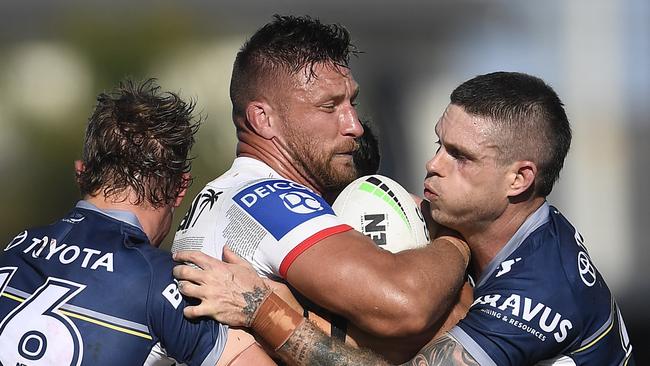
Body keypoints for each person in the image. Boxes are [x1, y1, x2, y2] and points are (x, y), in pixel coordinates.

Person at [173, 71, 635, 365]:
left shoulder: (541, 290)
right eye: (439, 144)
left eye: (460, 157)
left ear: (519, 180)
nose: (434, 164)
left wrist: (266, 312)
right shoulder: (487, 228)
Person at [172, 14, 471, 362]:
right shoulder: (269, 201)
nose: (355, 126)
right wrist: (456, 235)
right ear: (262, 119)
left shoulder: (223, 194)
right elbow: (405, 304)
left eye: (352, 103)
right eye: (329, 106)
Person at [0, 79, 274, 365]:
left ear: (81, 173)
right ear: (180, 189)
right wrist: (267, 306)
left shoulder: (15, 247)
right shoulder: (164, 284)